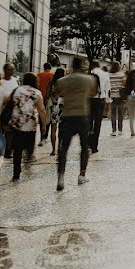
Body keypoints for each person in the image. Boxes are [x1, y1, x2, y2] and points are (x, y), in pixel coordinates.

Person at [52, 57, 98, 191]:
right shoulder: (89, 79)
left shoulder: (62, 80)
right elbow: (93, 93)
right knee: (84, 147)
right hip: (83, 115)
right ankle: (82, 175)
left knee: (63, 148)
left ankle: (61, 177)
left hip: (67, 116)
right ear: (82, 65)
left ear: (72, 65)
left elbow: (56, 93)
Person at [6, 72, 47, 182]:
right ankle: (28, 159)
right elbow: (42, 110)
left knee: (17, 150)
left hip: (17, 124)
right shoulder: (37, 93)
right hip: (30, 125)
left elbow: (8, 102)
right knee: (29, 146)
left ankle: (16, 173)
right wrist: (44, 124)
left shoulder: (17, 90)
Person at [0, 63, 19, 159]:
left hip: (11, 108)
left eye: (13, 69)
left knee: (9, 131)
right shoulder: (1, 81)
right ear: (5, 70)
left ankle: (8, 150)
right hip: (1, 108)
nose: (12, 71)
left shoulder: (15, 81)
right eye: (10, 69)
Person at [89, 61, 110, 153]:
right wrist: (108, 102)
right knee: (97, 124)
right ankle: (95, 146)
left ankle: (88, 143)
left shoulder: (89, 73)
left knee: (89, 123)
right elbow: (108, 89)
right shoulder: (105, 74)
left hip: (89, 100)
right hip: (100, 100)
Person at [46, 67, 65, 156]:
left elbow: (47, 94)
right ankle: (59, 148)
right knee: (61, 129)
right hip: (62, 105)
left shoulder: (52, 82)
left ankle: (53, 150)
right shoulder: (65, 82)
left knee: (53, 129)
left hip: (54, 105)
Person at [36, 63, 54, 147]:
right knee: (48, 118)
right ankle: (45, 136)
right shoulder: (52, 75)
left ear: (44, 68)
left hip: (40, 98)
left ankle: (42, 137)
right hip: (49, 100)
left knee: (41, 118)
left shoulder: (38, 75)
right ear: (50, 68)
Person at [108, 62, 126, 137]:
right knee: (120, 114)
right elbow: (124, 84)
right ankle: (120, 130)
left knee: (113, 113)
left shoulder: (109, 75)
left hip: (112, 96)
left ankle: (114, 131)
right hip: (120, 96)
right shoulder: (121, 75)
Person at [124, 69, 135, 138]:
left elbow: (126, 90)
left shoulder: (128, 81)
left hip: (129, 98)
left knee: (131, 116)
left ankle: (132, 132)